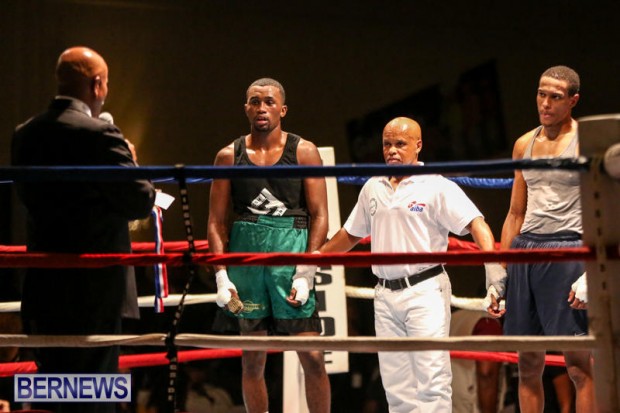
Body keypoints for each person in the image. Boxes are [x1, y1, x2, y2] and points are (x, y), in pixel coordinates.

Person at [316, 116, 503, 412]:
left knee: (432, 380)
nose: (392, 150)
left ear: (418, 145)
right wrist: (313, 261)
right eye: (387, 144)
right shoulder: (373, 186)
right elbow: (350, 234)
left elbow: (476, 224)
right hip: (384, 294)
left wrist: (493, 270)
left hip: (425, 291)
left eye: (400, 144)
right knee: (396, 387)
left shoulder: (435, 185)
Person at [11, 46, 156, 413]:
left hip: (44, 286)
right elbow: (140, 200)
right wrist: (131, 161)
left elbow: (28, 198)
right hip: (94, 288)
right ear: (97, 84)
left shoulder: (25, 133)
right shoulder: (101, 133)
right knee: (94, 396)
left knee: (56, 394)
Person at [207, 77, 331, 413]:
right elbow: (216, 222)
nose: (262, 108)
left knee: (313, 358)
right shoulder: (228, 156)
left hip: (290, 257)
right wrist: (221, 275)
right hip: (246, 260)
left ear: (283, 109)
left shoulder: (304, 152)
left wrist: (306, 272)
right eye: (255, 101)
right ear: (246, 108)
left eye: (269, 102)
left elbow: (320, 215)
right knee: (252, 361)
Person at [486, 65, 596, 412]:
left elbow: (608, 209)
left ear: (573, 100)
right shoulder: (524, 144)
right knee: (528, 365)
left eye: (556, 97)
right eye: (541, 94)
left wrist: (591, 272)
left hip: (568, 249)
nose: (545, 103)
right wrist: (501, 272)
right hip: (525, 253)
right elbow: (515, 213)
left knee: (579, 366)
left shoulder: (587, 142)